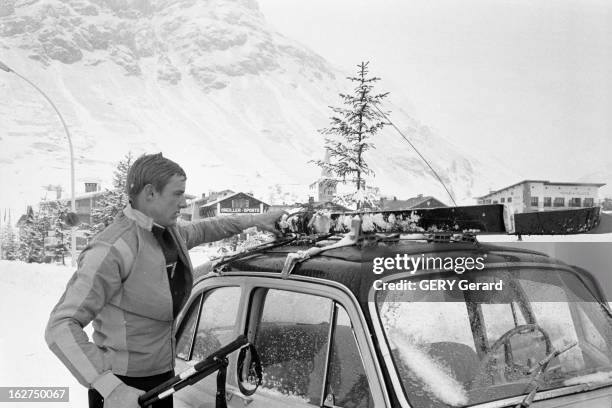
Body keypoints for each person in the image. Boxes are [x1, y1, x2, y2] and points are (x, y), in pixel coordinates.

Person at [45, 153, 284, 408]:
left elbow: (207, 228)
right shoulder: (112, 250)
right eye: (177, 194)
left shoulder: (168, 233)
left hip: (162, 380)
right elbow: (60, 326)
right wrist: (109, 387)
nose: (183, 202)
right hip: (123, 389)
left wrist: (256, 221)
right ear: (150, 193)